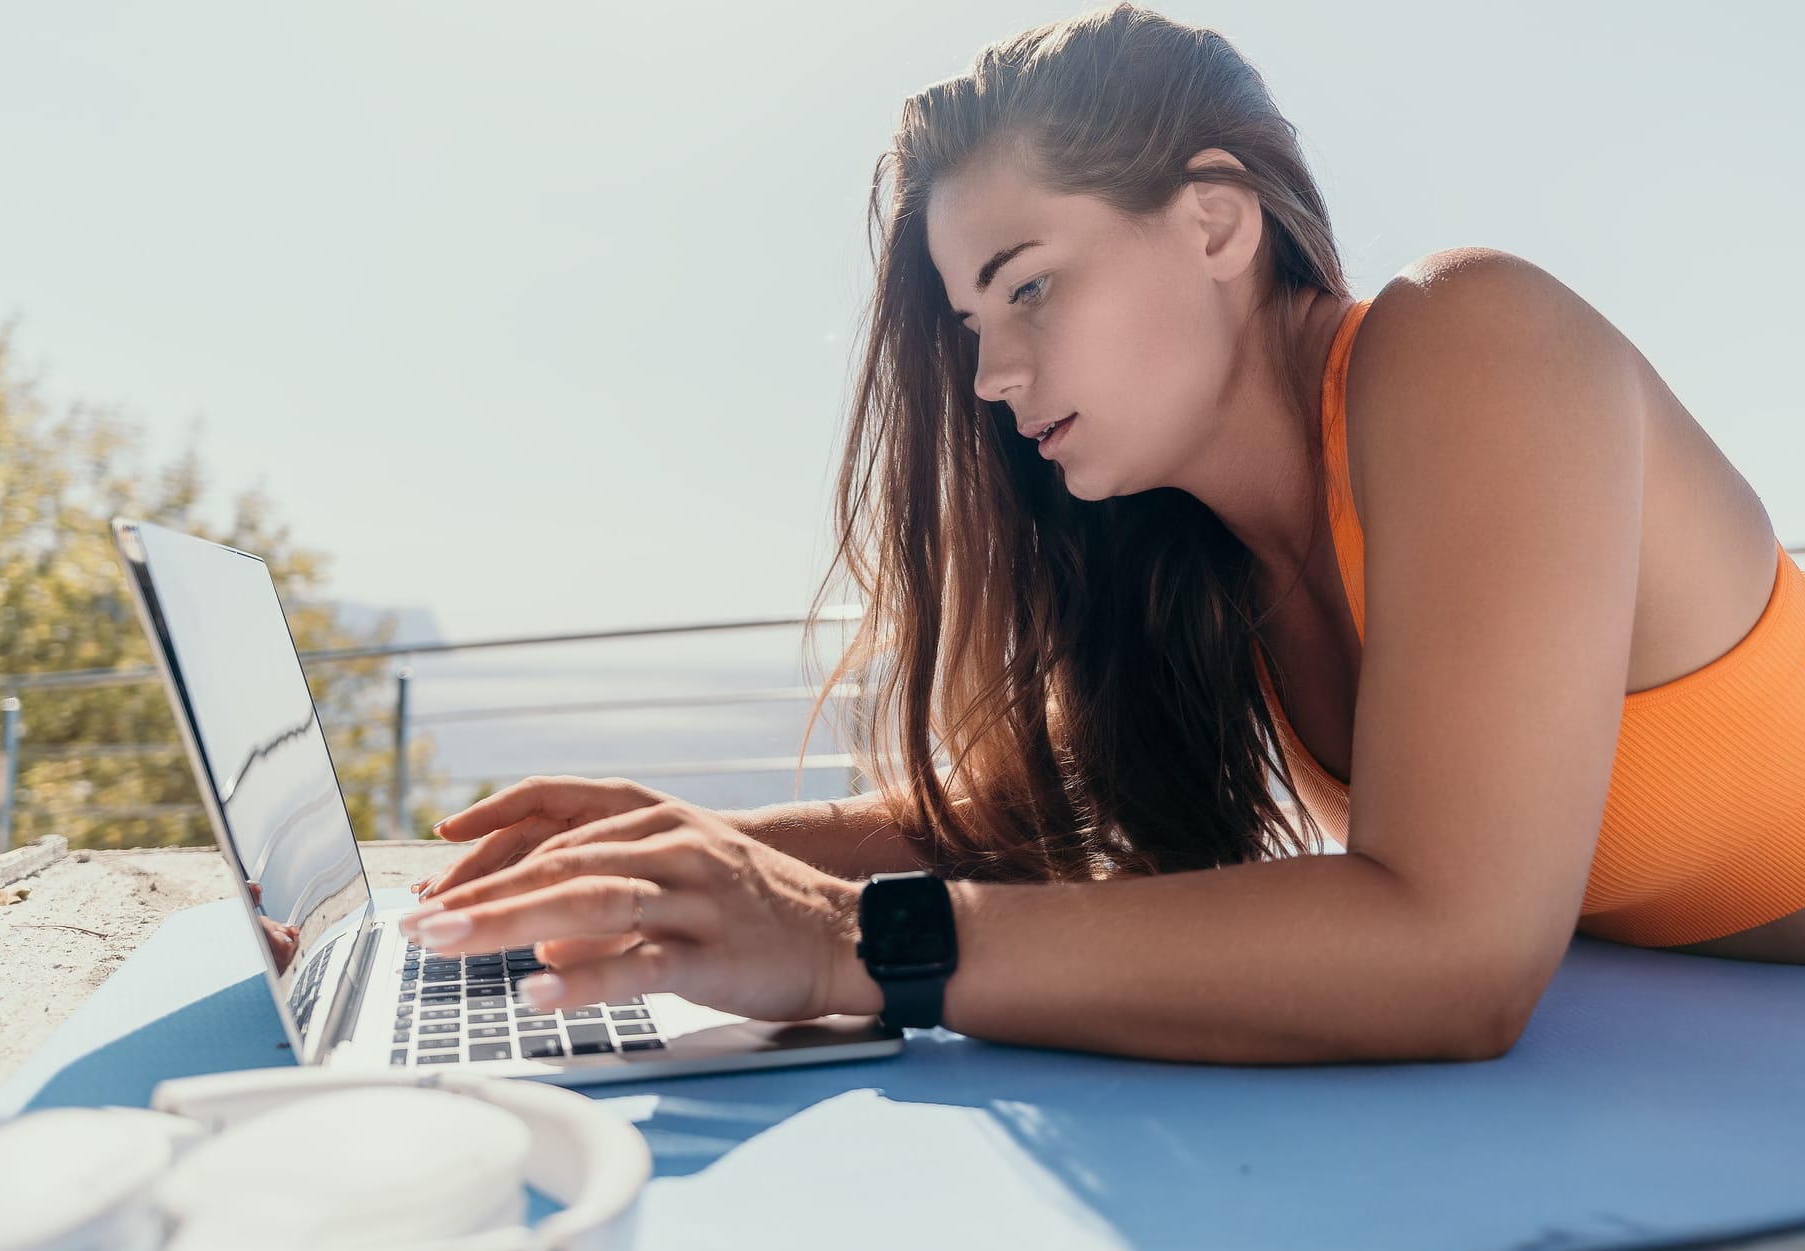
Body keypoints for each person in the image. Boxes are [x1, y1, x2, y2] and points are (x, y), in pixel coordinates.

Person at [400, 4, 1805, 1064]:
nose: (994, 377)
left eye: (1029, 289)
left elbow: (1461, 948)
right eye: (969, 326)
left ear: (1213, 220)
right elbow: (1020, 823)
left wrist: (846, 949)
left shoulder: (1474, 343)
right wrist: (675, 858)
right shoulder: (1210, 558)